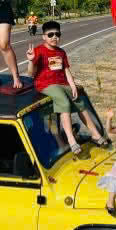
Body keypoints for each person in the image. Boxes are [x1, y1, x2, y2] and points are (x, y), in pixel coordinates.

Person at [26, 20, 107, 154]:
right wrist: (30, 61)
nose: (54, 37)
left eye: (57, 34)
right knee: (63, 102)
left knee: (79, 104)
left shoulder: (61, 52)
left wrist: (73, 85)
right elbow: (30, 74)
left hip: (62, 83)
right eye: (50, 35)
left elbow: (66, 70)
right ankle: (71, 140)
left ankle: (96, 135)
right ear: (44, 37)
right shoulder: (38, 51)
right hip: (46, 84)